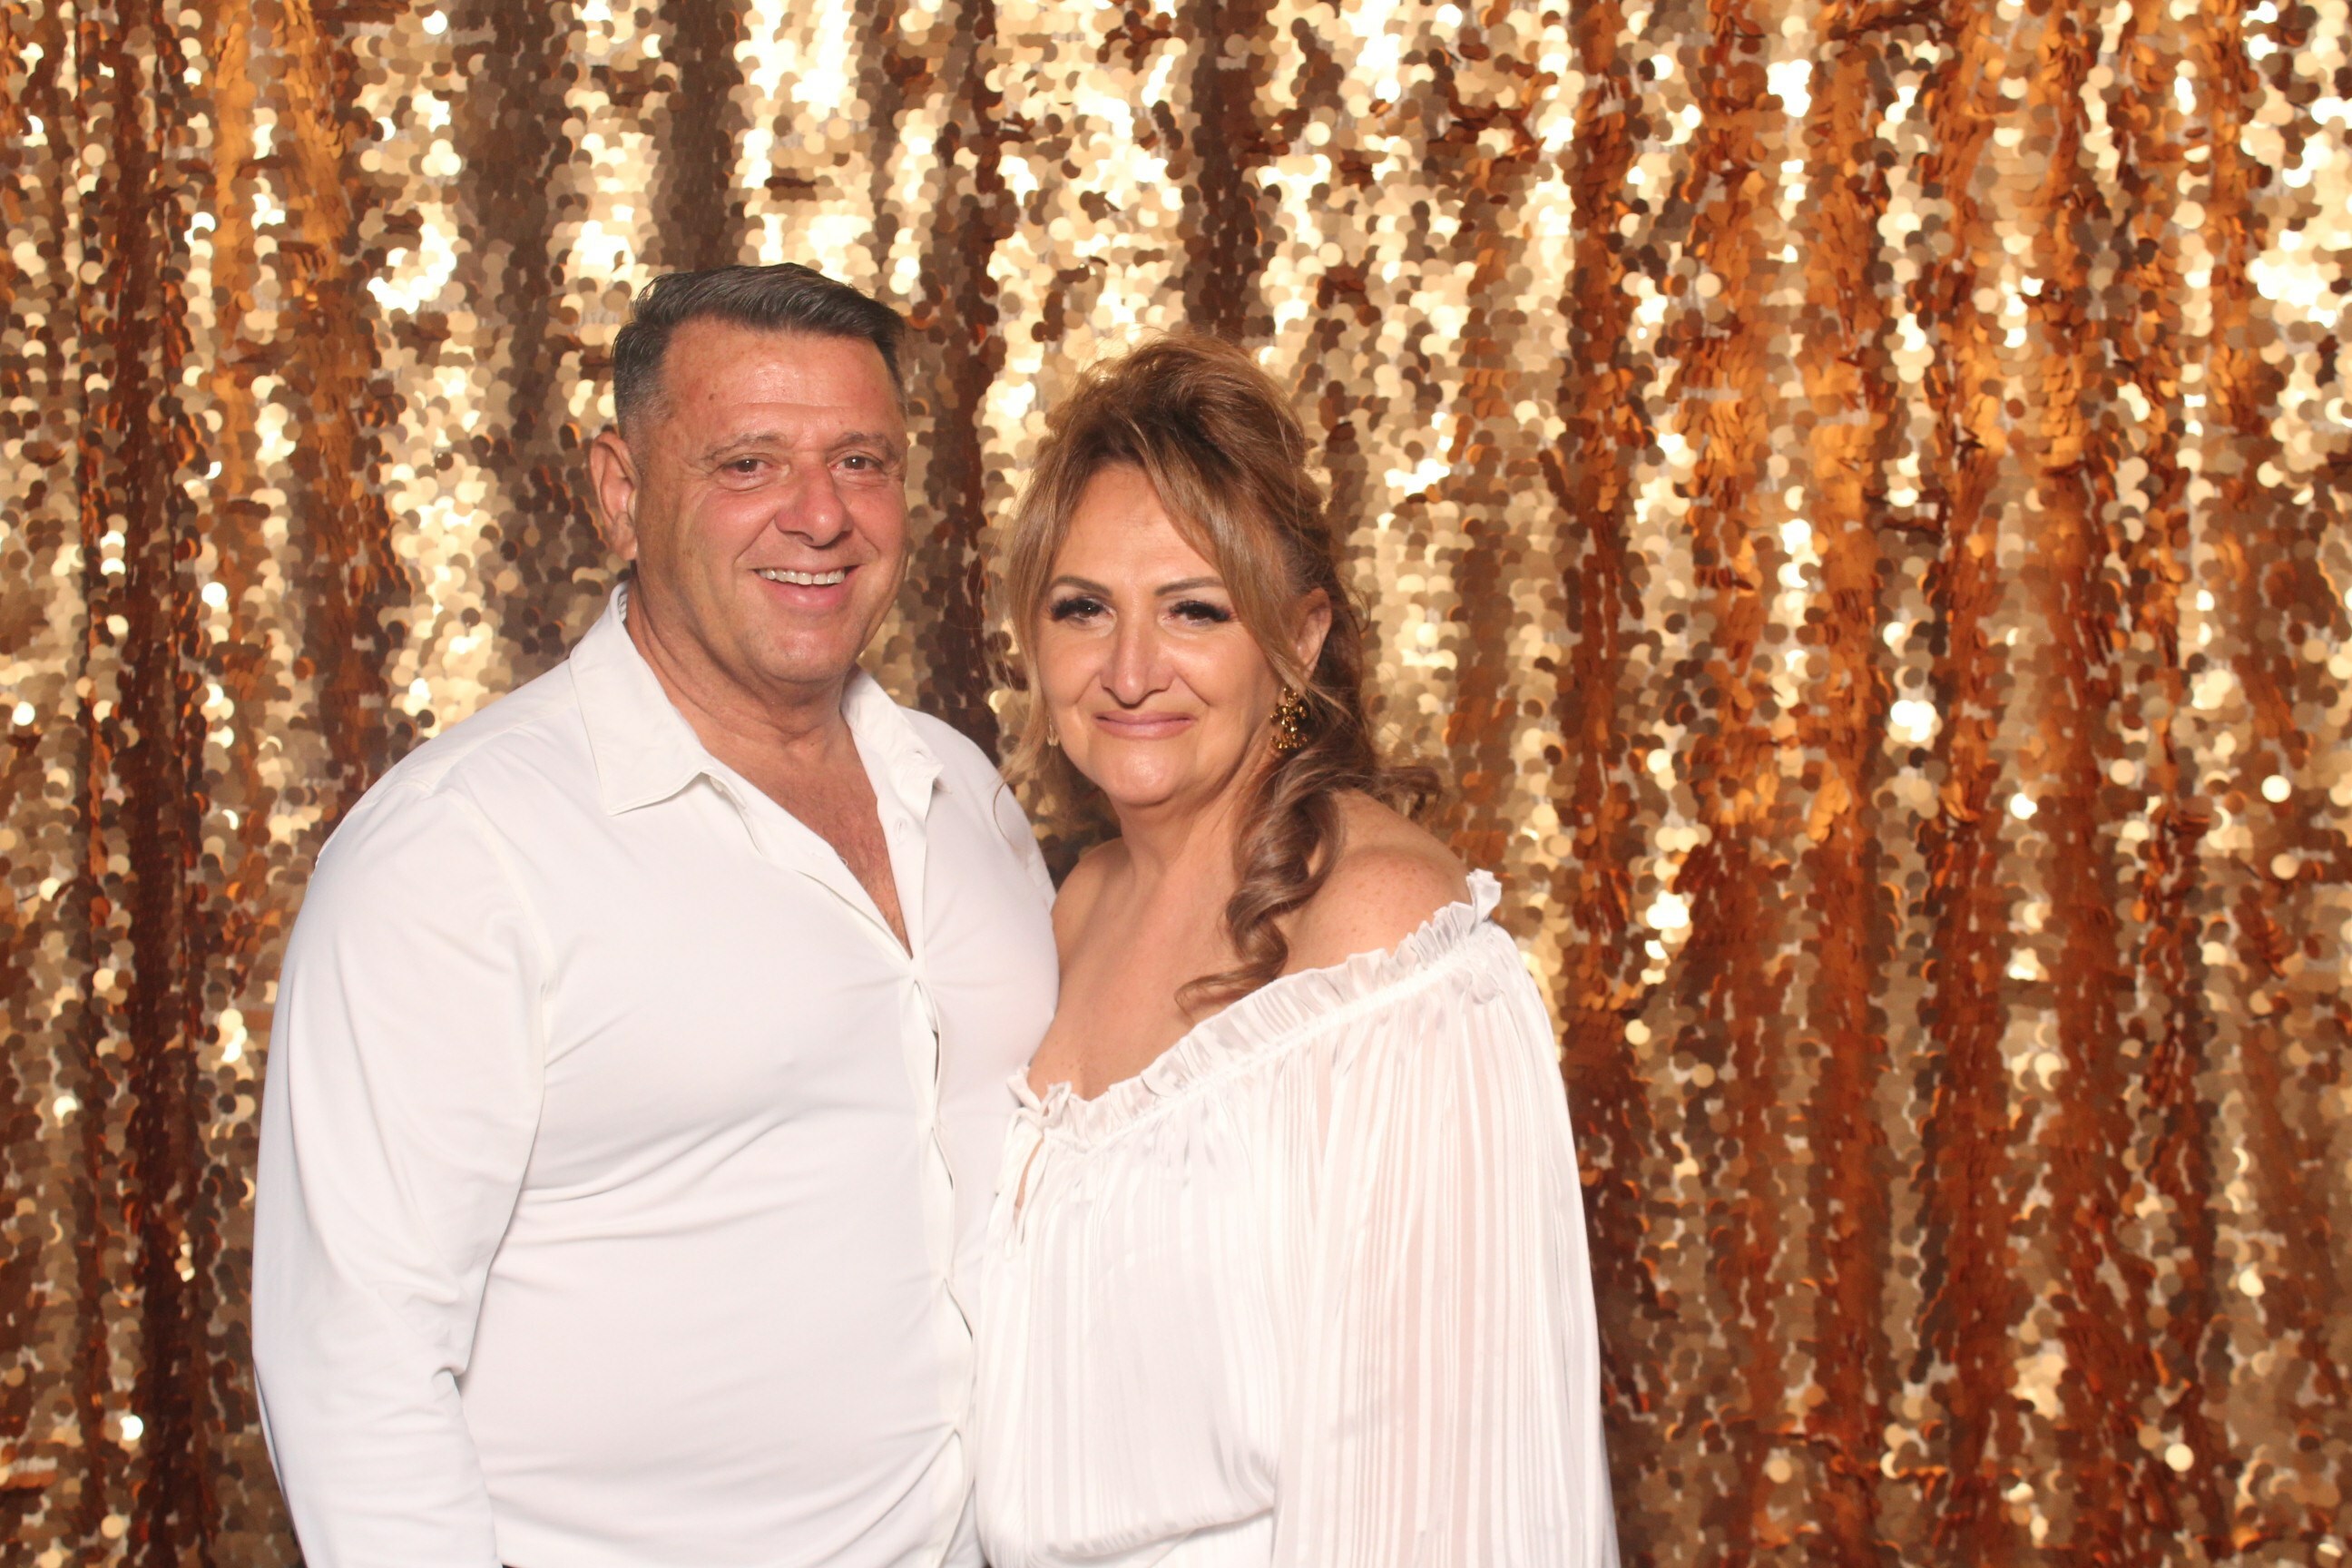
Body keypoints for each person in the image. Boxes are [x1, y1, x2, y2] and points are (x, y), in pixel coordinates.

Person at [251, 264, 1059, 1567]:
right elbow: (356, 1364)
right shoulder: (456, 852)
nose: (820, 516)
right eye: (748, 464)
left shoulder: (961, 788)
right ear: (620, 493)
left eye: (861, 462)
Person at [972, 337, 1618, 1566]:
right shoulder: (1069, 908)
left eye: (1195, 610)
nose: (1129, 672)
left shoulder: (1385, 935)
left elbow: (1445, 1498)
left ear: (1300, 638)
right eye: (1083, 609)